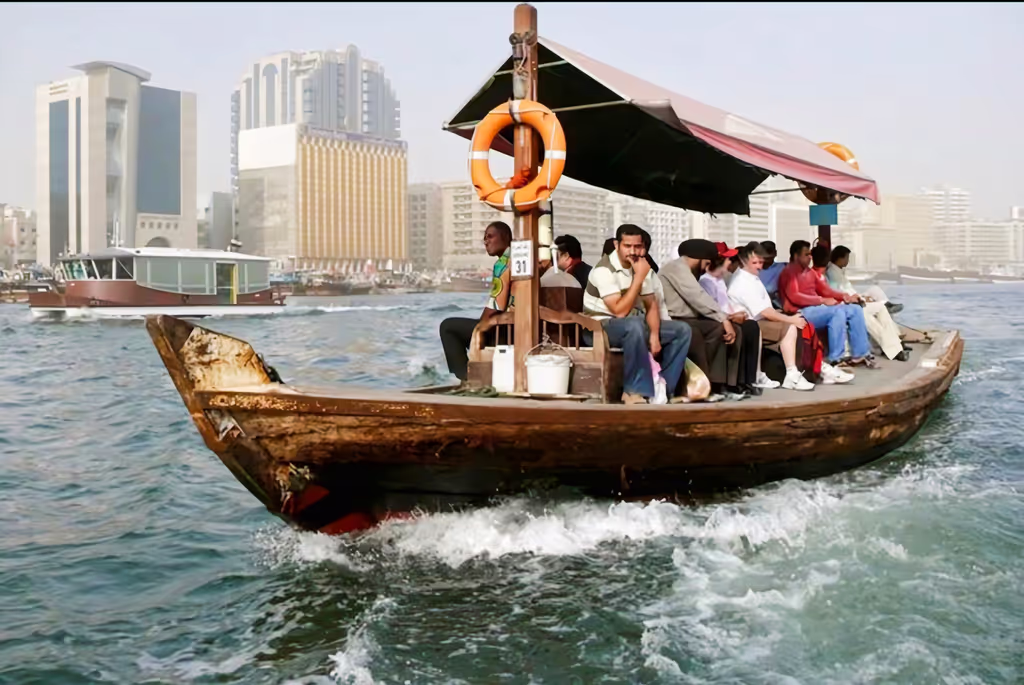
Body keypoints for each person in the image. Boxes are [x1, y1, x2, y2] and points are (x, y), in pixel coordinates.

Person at [584, 224, 692, 405]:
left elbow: (651, 305)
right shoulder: (603, 270)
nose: (633, 251)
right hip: (599, 328)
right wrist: (638, 278)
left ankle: (663, 390)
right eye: (627, 246)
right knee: (634, 324)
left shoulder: (642, 267)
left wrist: (655, 335)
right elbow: (619, 311)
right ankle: (633, 392)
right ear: (616, 245)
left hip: (633, 325)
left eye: (637, 246)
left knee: (682, 330)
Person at [659, 239, 761, 398]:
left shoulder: (688, 270)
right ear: (699, 258)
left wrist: (725, 318)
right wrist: (723, 319)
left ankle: (724, 384)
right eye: (706, 262)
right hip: (674, 319)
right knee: (708, 331)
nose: (707, 267)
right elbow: (697, 297)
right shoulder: (676, 268)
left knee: (733, 330)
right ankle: (703, 386)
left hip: (691, 317)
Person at [728, 243, 815, 391]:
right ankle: (792, 374)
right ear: (743, 261)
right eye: (755, 263)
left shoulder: (752, 277)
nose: (760, 266)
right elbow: (764, 312)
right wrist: (790, 319)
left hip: (759, 321)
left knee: (801, 323)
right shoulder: (742, 282)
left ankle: (802, 371)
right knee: (790, 327)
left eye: (761, 262)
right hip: (750, 324)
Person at [779, 239, 871, 376]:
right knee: (836, 312)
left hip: (815, 309)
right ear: (796, 256)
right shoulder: (789, 272)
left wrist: (846, 297)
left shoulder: (810, 273)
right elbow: (795, 297)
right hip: (799, 312)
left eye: (810, 254)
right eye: (806, 254)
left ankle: (860, 354)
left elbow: (826, 290)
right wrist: (821, 300)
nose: (810, 257)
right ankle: (835, 358)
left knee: (855, 309)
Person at [439, 221, 513, 382]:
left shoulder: (503, 263)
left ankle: (467, 378)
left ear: (506, 237)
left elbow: (495, 306)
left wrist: (479, 329)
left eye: (490, 236)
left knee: (448, 327)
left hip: (504, 332)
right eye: (484, 238)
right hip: (516, 329)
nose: (486, 241)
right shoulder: (519, 259)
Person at [826, 245, 910, 361]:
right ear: (840, 259)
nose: (848, 261)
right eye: (847, 258)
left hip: (853, 301)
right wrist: (862, 299)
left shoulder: (838, 271)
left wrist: (862, 297)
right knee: (866, 315)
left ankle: (896, 342)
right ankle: (894, 349)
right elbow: (841, 294)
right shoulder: (833, 273)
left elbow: (849, 291)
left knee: (880, 306)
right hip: (846, 305)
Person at [758, 240, 786, 308]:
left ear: (775, 253)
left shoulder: (783, 267)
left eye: (769, 252)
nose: (766, 257)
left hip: (777, 306)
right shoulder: (754, 269)